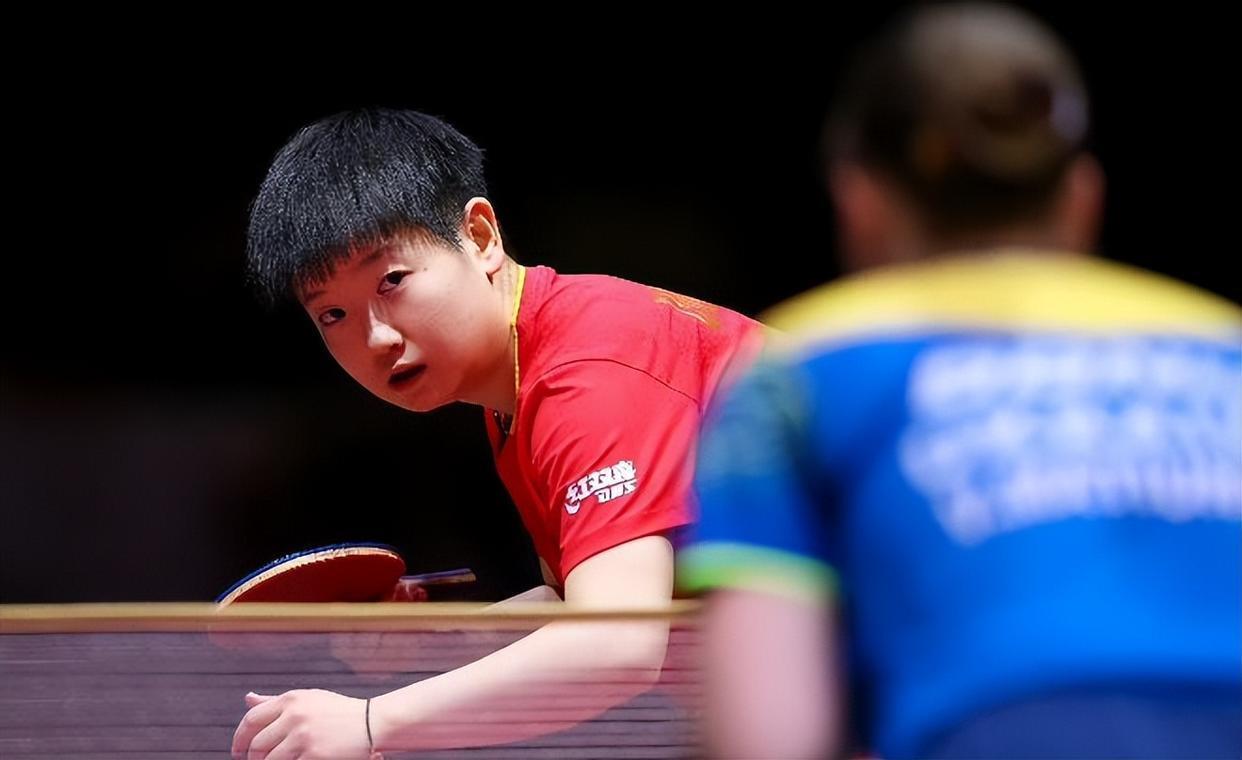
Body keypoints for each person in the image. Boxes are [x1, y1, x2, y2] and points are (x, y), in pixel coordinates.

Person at [678, 4, 1242, 759]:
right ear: (1083, 195)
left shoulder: (799, 373)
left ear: (858, 199)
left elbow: (770, 735)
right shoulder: (1223, 348)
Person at [231, 108, 764, 757]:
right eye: (333, 314)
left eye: (392, 281)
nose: (375, 337)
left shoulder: (584, 372)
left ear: (480, 236)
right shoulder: (518, 384)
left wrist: (372, 723)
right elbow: (586, 603)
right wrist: (442, 638)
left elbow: (618, 644)